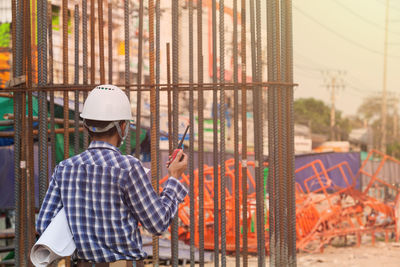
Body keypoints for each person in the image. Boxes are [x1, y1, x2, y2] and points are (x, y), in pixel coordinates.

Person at [36, 85, 188, 267]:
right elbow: (158, 223)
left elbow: (44, 225)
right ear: (123, 127)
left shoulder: (64, 168)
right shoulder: (128, 168)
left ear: (86, 126)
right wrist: (173, 177)